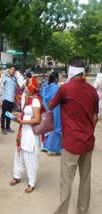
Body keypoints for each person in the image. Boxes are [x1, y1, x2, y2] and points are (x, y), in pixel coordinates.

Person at [49, 57, 99, 214]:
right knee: (85, 179)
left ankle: (62, 211)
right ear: (83, 72)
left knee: (66, 180)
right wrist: (89, 130)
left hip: (71, 143)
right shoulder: (92, 91)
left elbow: (51, 105)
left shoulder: (65, 89)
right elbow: (95, 117)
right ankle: (83, 210)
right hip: (88, 142)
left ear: (70, 71)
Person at [9, 77, 43, 193]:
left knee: (30, 157)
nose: (25, 86)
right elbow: (26, 114)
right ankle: (17, 176)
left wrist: (23, 121)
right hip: (23, 131)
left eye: (28, 84)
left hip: (31, 133)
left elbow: (37, 119)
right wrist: (18, 114)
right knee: (19, 154)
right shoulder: (27, 99)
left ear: (32, 87)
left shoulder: (35, 101)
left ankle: (31, 182)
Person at [42, 72, 61, 156]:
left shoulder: (46, 87)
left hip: (47, 111)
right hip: (55, 111)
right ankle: (52, 149)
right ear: (56, 79)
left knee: (47, 128)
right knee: (55, 128)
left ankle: (45, 147)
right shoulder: (56, 88)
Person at [0, 65, 17, 135]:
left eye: (14, 69)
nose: (13, 71)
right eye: (11, 69)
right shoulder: (5, 77)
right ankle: (2, 127)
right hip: (6, 98)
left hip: (12, 99)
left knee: (9, 114)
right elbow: (0, 85)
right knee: (4, 113)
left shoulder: (15, 79)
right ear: (9, 70)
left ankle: (8, 127)